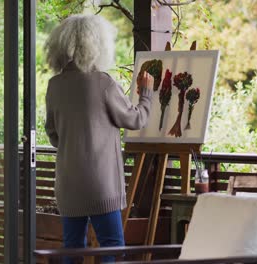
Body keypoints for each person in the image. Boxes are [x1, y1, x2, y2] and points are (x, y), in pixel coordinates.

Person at [44, 14, 154, 263]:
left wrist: (75, 143)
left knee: (72, 247)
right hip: (100, 184)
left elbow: (53, 134)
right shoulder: (103, 83)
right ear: (97, 44)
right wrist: (147, 94)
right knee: (111, 246)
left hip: (69, 183)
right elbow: (134, 120)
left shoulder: (55, 85)